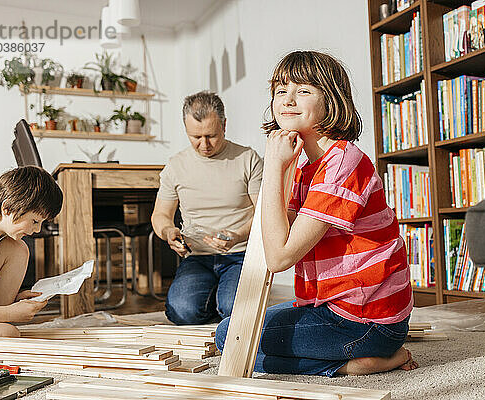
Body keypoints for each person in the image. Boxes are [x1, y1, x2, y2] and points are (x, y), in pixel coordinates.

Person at [215, 51, 419, 376]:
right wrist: (280, 166)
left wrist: (271, 166)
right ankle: (351, 358)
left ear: (331, 100)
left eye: (303, 90)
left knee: (232, 338)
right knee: (235, 330)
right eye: (281, 91)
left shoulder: (342, 162)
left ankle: (359, 363)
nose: (288, 100)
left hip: (364, 319)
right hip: (329, 307)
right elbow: (279, 236)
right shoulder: (305, 165)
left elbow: (279, 257)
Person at [152, 91, 263, 325]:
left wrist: (238, 234)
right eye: (195, 136)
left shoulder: (247, 158)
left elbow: (264, 210)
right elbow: (161, 215)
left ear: (224, 124)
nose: (204, 145)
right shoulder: (175, 165)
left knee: (235, 310)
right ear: (185, 127)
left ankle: (223, 302)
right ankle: (215, 301)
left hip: (240, 254)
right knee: (181, 312)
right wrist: (168, 232)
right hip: (197, 256)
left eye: (211, 135)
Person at [0, 166, 63, 360]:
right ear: (8, 208)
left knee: (18, 248)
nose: (37, 230)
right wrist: (8, 313)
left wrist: (15, 304)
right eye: (35, 221)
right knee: (8, 335)